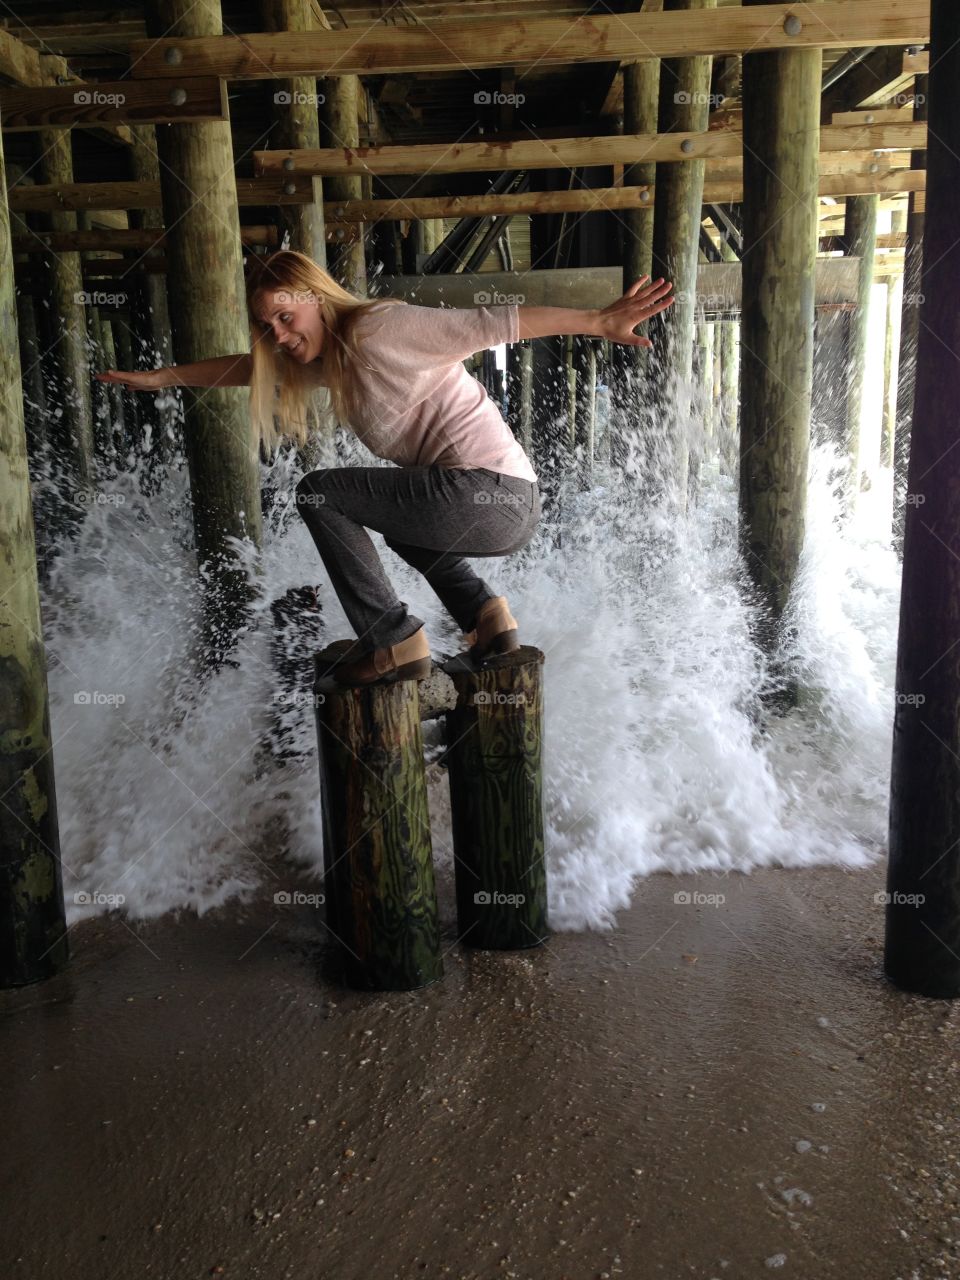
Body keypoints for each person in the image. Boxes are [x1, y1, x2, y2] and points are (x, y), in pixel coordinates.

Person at [98, 250, 674, 686]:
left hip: (484, 494)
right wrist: (161, 379)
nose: (278, 334)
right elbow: (252, 370)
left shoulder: (378, 330)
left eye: (285, 315)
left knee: (319, 493)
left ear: (316, 299)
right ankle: (485, 617)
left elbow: (492, 324)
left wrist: (598, 320)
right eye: (266, 325)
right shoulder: (342, 359)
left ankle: (393, 642)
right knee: (395, 519)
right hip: (499, 505)